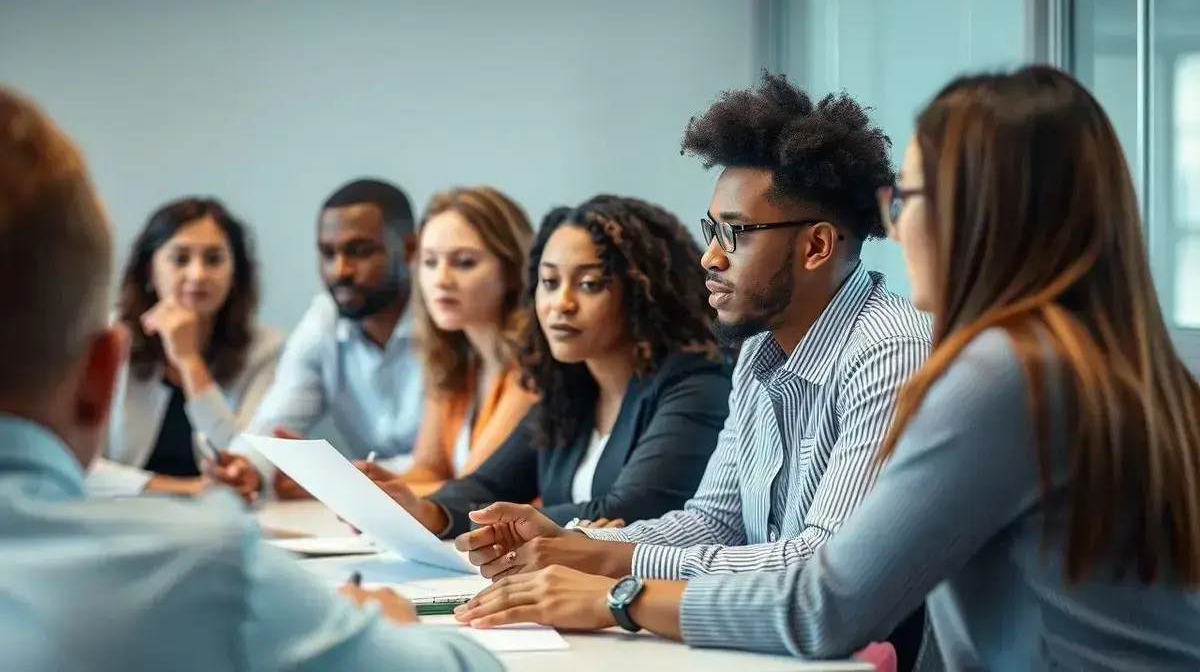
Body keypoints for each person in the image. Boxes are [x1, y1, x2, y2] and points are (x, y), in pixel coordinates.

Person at [449, 66, 1200, 670]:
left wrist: (616, 591)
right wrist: (591, 550)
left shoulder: (998, 373)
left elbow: (825, 599)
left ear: (982, 211)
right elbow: (723, 520)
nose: (894, 223)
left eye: (907, 197)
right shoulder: (1094, 356)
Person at [0, 87, 501, 672]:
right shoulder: (202, 569)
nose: (340, 269)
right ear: (101, 373)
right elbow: (262, 439)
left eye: (212, 258)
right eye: (328, 252)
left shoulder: (272, 345)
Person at [456, 72, 931, 669]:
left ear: (815, 246)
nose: (709, 256)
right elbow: (716, 521)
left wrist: (608, 567)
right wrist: (574, 543)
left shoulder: (890, 350)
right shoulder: (760, 351)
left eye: (734, 234)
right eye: (712, 231)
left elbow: (821, 563)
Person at [362, 195, 733, 538]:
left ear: (645, 294)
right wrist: (427, 511)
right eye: (550, 282)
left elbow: (631, 509)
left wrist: (508, 522)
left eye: (589, 284)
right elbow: (486, 487)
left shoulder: (696, 385)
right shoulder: (570, 388)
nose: (561, 303)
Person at [216, 178, 424, 501]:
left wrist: (335, 478)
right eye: (328, 253)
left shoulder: (448, 315)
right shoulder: (325, 318)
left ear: (410, 249)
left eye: (360, 252)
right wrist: (247, 467)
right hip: (380, 513)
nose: (340, 270)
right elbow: (275, 421)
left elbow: (459, 461)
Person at [86, 198, 282, 498]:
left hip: (220, 524)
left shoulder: (266, 349)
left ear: (235, 273)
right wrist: (185, 490)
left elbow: (242, 463)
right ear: (150, 270)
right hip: (121, 518)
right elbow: (77, 464)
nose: (198, 275)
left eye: (214, 259)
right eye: (180, 259)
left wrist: (189, 361)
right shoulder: (107, 339)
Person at [392, 186, 539, 497]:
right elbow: (428, 468)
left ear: (512, 271)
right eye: (429, 262)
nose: (441, 280)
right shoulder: (455, 359)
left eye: (464, 262)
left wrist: (388, 493)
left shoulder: (534, 365)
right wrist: (359, 484)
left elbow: (477, 489)